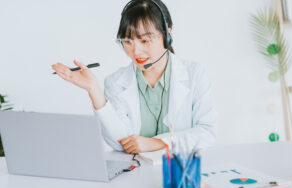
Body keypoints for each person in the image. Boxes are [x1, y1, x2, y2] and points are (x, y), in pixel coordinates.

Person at [51, 0, 217, 154]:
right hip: (136, 174)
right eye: (128, 41)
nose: (136, 51)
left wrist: (158, 143)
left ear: (167, 36)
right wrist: (94, 90)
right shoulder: (115, 82)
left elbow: (207, 134)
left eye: (145, 41)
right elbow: (119, 143)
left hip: (181, 174)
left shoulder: (195, 74)